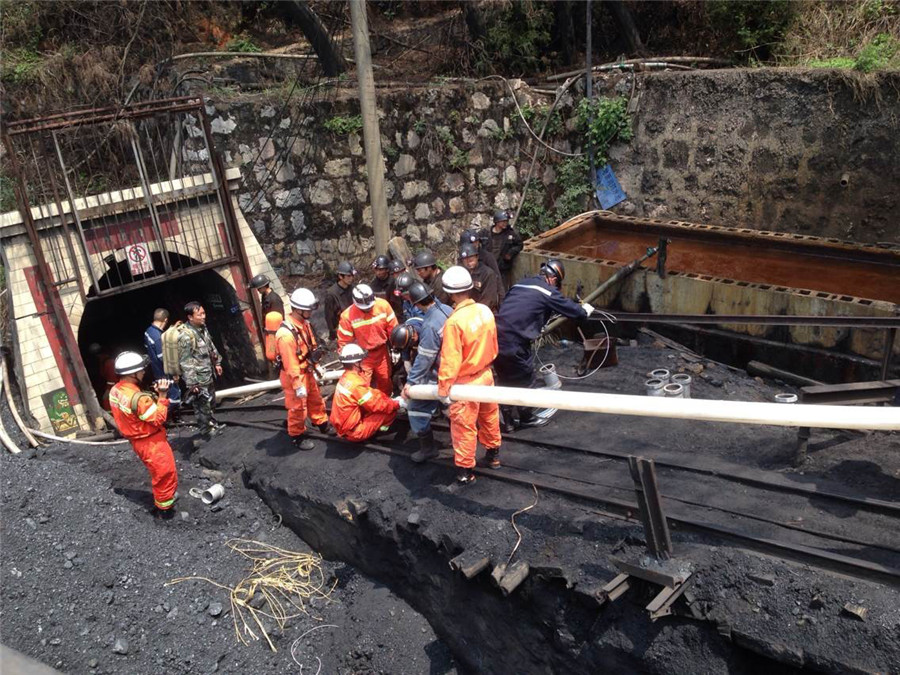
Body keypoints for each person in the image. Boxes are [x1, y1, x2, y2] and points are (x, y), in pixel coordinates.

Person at [495, 259, 594, 430]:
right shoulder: (547, 292)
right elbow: (575, 312)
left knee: (505, 379)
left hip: (495, 338)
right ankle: (526, 418)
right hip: (516, 342)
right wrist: (585, 310)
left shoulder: (520, 285)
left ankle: (508, 422)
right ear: (554, 279)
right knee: (526, 379)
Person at [437, 266, 502, 484]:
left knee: (464, 426)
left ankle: (465, 471)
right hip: (486, 375)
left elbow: (450, 360)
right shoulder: (485, 311)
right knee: (489, 416)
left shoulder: (454, 322)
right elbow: (494, 343)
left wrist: (444, 390)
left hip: (466, 384)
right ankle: (493, 455)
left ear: (450, 293)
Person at [108, 351, 178, 519]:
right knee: (165, 474)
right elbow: (158, 418)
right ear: (132, 374)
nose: (144, 372)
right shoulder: (139, 399)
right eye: (141, 370)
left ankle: (163, 502)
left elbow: (134, 413)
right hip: (151, 442)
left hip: (137, 440)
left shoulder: (116, 390)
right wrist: (161, 396)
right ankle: (165, 511)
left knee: (158, 473)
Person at [394, 282, 452, 463]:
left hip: (438, 373)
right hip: (453, 368)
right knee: (452, 408)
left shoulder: (428, 326)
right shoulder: (447, 310)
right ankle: (462, 440)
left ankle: (428, 449)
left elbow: (425, 358)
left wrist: (410, 383)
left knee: (416, 408)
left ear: (416, 304)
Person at [276, 289, 333, 451]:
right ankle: (297, 435)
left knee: (315, 397)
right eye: (307, 309)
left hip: (306, 370)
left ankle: (321, 422)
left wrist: (316, 365)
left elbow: (311, 347)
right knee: (298, 407)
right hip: (294, 375)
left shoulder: (304, 325)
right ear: (298, 309)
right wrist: (297, 385)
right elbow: (290, 364)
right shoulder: (286, 335)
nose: (310, 312)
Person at [330, 344, 400, 442]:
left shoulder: (345, 378)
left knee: (377, 404)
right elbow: (376, 404)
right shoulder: (357, 384)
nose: (363, 362)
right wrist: (396, 403)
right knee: (390, 411)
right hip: (354, 432)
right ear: (356, 363)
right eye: (361, 360)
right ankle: (381, 431)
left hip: (343, 427)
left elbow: (371, 396)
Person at [337, 284, 398, 395]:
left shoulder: (383, 306)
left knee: (385, 382)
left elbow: (394, 330)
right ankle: (365, 411)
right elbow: (344, 343)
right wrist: (351, 364)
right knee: (361, 387)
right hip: (362, 358)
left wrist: (396, 348)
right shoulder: (347, 316)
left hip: (381, 353)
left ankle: (387, 408)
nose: (368, 309)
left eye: (370, 307)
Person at [178, 301, 223, 436]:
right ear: (190, 317)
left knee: (211, 401)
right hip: (198, 377)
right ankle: (206, 431)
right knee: (201, 405)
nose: (204, 316)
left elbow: (211, 346)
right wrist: (192, 384)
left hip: (208, 373)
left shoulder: (203, 328)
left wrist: (217, 363)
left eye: (204, 313)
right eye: (200, 314)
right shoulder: (186, 336)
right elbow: (186, 361)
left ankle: (212, 424)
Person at [143, 308, 181, 406]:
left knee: (165, 397)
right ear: (165, 320)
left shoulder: (148, 332)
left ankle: (170, 418)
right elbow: (163, 358)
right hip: (164, 373)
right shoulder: (158, 338)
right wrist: (174, 373)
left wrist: (172, 329)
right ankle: (163, 419)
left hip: (156, 372)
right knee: (174, 397)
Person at [458, 243, 501, 312]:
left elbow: (488, 299)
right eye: (465, 260)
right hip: (466, 310)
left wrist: (474, 313)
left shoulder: (488, 274)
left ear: (477, 257)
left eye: (471, 259)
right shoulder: (462, 273)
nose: (468, 262)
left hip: (484, 313)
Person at [486, 210, 524, 287]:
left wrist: (510, 253)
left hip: (502, 268)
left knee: (503, 290)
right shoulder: (486, 233)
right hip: (489, 268)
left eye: (506, 221)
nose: (505, 223)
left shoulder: (510, 233)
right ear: (497, 222)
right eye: (503, 221)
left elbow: (519, 244)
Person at [324, 261, 357, 341]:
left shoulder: (354, 289)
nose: (351, 278)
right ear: (340, 276)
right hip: (341, 332)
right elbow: (329, 318)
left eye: (352, 276)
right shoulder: (331, 294)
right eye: (348, 276)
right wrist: (334, 335)